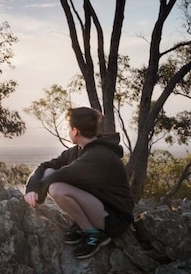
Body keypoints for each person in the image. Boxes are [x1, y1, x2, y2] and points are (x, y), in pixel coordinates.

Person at [24, 107, 134, 259]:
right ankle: (83, 225)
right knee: (50, 172)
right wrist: (31, 187)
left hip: (115, 219)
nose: (68, 131)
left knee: (57, 188)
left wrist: (37, 192)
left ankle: (93, 234)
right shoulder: (77, 151)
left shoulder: (99, 155)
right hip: (99, 206)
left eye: (68, 128)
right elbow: (46, 167)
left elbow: (59, 176)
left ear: (75, 131)